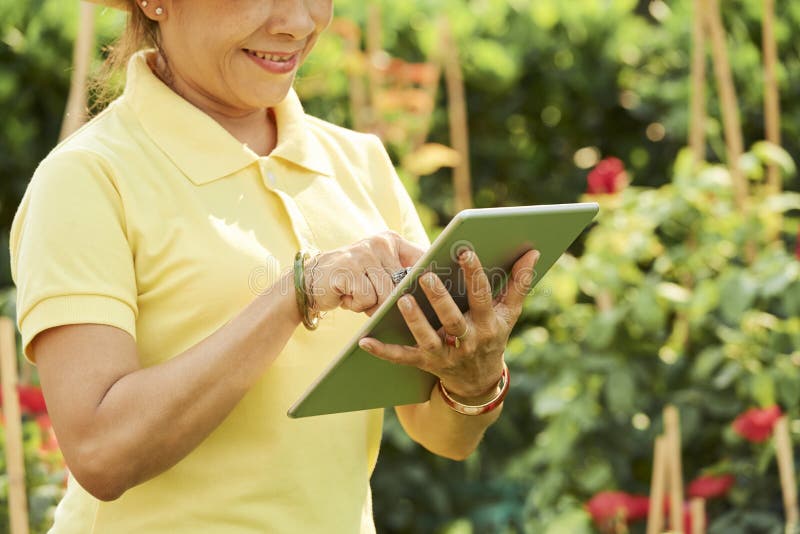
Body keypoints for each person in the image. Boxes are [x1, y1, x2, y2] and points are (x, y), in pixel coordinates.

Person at [9, 1, 540, 532]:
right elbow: (101, 453)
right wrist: (296, 294)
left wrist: (473, 379)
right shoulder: (87, 178)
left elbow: (441, 434)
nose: (297, 22)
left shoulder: (359, 164)